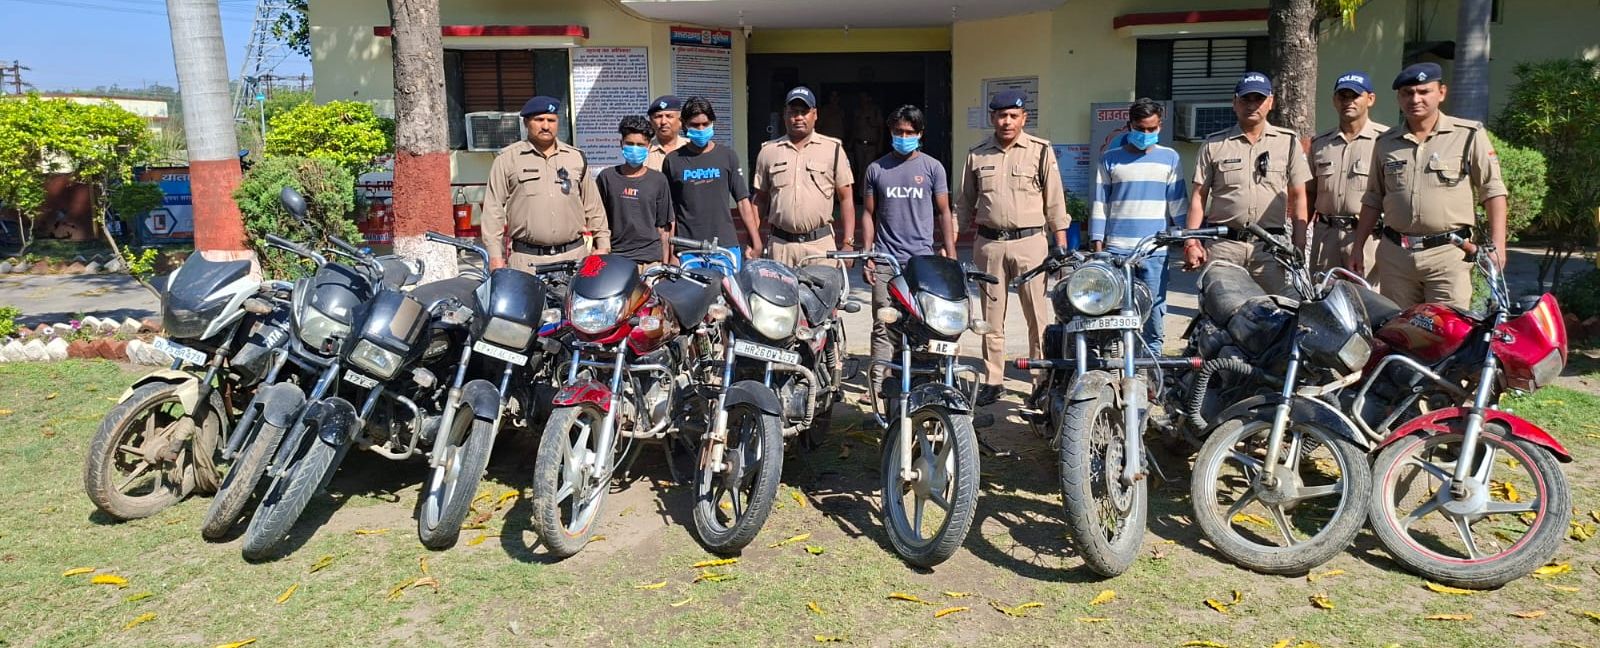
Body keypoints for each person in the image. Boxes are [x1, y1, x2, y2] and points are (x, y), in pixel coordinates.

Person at [1349, 62, 1508, 309]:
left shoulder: (1468, 135)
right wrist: (1358, 246)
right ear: (1399, 98)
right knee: (1397, 326)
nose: (1415, 99)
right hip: (1396, 257)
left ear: (1441, 93)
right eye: (1407, 93)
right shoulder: (1386, 142)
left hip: (1447, 256)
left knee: (1447, 327)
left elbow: (1493, 190)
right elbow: (1373, 198)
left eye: (1424, 92)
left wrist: (1498, 245)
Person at [957, 89, 1071, 406]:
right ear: (992, 118)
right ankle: (994, 379)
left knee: (1037, 317)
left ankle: (1040, 380)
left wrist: (1061, 247)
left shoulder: (1040, 151)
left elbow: (1055, 203)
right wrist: (948, 245)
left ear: (1024, 118)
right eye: (1001, 115)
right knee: (991, 319)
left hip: (1030, 244)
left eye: (1013, 116)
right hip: (990, 245)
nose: (1006, 121)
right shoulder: (977, 154)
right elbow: (964, 203)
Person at [1184, 71, 1311, 296]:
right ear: (1235, 103)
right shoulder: (1215, 144)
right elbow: (1198, 197)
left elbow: (1299, 196)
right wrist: (1191, 242)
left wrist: (1298, 244)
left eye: (1258, 99)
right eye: (1246, 99)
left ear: (1270, 102)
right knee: (1223, 309)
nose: (1252, 105)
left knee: (1274, 310)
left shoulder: (1288, 142)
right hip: (1225, 248)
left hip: (1269, 249)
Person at [861, 104, 956, 400]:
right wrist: (868, 254)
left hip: (921, 263)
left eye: (909, 132)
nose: (903, 137)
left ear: (920, 134)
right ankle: (878, 387)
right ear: (890, 132)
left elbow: (944, 212)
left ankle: (922, 381)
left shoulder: (932, 168)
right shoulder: (876, 169)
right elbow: (868, 213)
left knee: (925, 323)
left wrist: (951, 254)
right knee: (883, 323)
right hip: (886, 261)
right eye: (898, 132)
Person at [1089, 98, 1188, 356]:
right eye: (1140, 129)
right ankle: (1114, 365)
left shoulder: (1170, 158)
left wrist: (1190, 241)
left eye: (1151, 129)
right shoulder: (1110, 159)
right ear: (1129, 125)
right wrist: (1098, 247)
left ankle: (1151, 368)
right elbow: (1100, 203)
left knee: (1153, 313)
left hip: (1154, 251)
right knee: (1112, 313)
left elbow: (1178, 204)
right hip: (1116, 252)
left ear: (1159, 126)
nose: (1145, 134)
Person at [481, 95, 608, 270]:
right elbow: (493, 210)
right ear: (526, 123)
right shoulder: (507, 159)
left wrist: (603, 244)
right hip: (527, 261)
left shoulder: (576, 158)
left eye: (551, 120)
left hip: (574, 257)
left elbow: (593, 206)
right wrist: (495, 256)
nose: (546, 126)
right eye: (539, 120)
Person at [753, 86, 856, 267]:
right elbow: (760, 200)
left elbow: (846, 198)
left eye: (804, 112)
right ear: (785, 114)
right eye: (793, 112)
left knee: (823, 287)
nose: (798, 117)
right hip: (780, 247)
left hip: (820, 247)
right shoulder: (768, 151)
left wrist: (848, 243)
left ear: (815, 114)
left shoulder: (833, 149)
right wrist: (753, 240)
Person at [662, 96, 761, 271]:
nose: (701, 129)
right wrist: (671, 253)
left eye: (705, 124)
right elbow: (671, 212)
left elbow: (743, 201)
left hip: (724, 247)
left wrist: (756, 240)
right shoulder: (673, 161)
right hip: (688, 248)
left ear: (712, 123)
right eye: (695, 125)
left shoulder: (727, 156)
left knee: (728, 289)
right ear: (684, 125)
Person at [1309, 71, 1386, 278]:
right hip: (1326, 238)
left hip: (1369, 238)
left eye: (1355, 96)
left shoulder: (1385, 142)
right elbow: (1309, 193)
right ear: (1334, 100)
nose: (1348, 101)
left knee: (1368, 296)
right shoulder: (1320, 144)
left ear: (1370, 99)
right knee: (1323, 294)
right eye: (1342, 96)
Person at [596, 115, 672, 266]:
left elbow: (663, 228)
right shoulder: (607, 177)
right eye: (630, 144)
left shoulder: (658, 180)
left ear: (649, 147)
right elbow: (597, 221)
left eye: (640, 145)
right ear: (621, 144)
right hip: (615, 259)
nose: (635, 149)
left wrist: (664, 265)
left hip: (650, 260)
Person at [849, 92, 885, 200]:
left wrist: (880, 144)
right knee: (859, 169)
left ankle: (864, 194)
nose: (863, 100)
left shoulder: (875, 111)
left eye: (864, 97)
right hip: (859, 143)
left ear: (869, 98)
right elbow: (854, 128)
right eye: (861, 98)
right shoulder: (857, 111)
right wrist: (850, 143)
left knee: (867, 168)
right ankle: (859, 194)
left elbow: (881, 128)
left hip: (871, 145)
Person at [645, 95, 684, 171]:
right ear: (651, 122)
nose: (663, 122)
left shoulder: (691, 147)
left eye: (669, 116)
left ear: (680, 121)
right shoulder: (644, 151)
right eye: (658, 116)